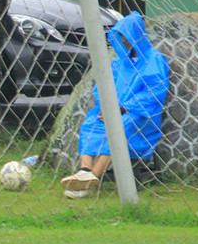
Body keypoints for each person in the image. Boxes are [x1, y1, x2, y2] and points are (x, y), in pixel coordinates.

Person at [61, 11, 170, 199]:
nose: (125, 41)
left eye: (127, 37)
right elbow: (102, 87)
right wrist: (106, 108)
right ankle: (85, 170)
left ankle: (89, 183)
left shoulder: (155, 60)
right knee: (90, 122)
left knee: (119, 128)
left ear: (137, 35)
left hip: (141, 115)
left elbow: (154, 93)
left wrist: (122, 109)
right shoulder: (119, 62)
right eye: (121, 37)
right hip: (114, 111)